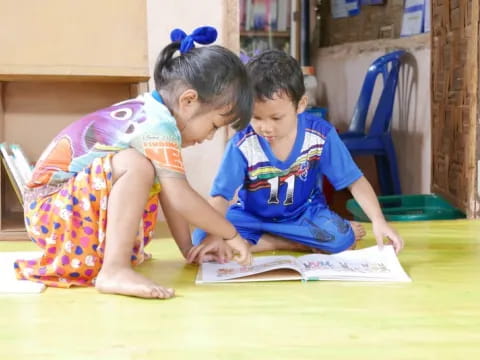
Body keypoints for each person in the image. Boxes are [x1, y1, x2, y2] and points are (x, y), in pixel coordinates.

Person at [14, 26, 253, 299]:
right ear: (189, 100)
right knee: (136, 165)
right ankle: (114, 270)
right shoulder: (156, 125)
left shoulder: (155, 118)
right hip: (51, 212)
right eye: (213, 125)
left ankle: (115, 265)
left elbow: (170, 193)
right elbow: (180, 197)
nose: (209, 137)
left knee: (151, 170)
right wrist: (231, 234)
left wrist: (188, 249)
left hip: (61, 213)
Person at [188, 49, 404, 264]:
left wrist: (378, 220)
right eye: (256, 117)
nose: (266, 127)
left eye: (276, 117)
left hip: (303, 216)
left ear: (300, 105)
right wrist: (215, 236)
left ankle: (268, 241)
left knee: (344, 241)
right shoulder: (243, 143)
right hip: (250, 217)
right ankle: (287, 243)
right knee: (202, 236)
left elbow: (354, 181)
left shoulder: (320, 134)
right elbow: (221, 197)